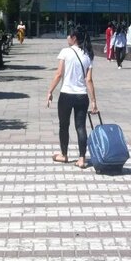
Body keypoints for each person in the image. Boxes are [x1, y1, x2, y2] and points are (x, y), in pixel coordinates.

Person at [47, 26, 98, 168]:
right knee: (80, 127)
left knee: (64, 125)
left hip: (66, 95)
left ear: (74, 38)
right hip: (82, 96)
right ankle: (82, 159)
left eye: (69, 35)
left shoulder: (65, 52)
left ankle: (64, 155)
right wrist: (93, 101)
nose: (67, 37)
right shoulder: (87, 55)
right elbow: (89, 80)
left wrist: (50, 91)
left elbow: (58, 74)